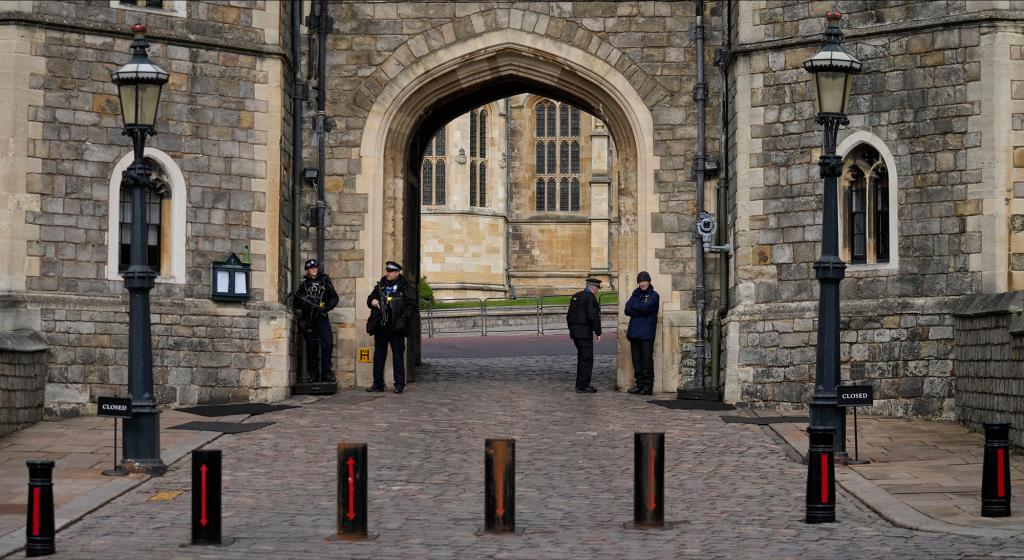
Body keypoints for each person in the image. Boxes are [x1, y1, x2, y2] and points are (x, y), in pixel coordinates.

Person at [366, 260, 417, 394]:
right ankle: (377, 384)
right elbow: (369, 299)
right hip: (382, 325)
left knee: (397, 356)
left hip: (396, 326)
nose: (387, 273)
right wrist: (373, 300)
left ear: (397, 272)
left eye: (390, 271)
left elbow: (411, 305)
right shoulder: (381, 284)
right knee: (378, 356)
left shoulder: (404, 286)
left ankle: (399, 384)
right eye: (387, 271)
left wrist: (402, 321)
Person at [293, 258, 339, 383]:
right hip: (309, 319)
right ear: (307, 270)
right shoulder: (303, 285)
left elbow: (334, 298)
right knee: (311, 346)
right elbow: (296, 303)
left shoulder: (324, 280)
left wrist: (325, 309)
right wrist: (305, 304)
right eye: (310, 268)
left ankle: (326, 374)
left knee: (328, 344)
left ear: (317, 268)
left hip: (322, 317)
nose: (313, 270)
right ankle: (313, 375)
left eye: (314, 267)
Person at [624, 271, 660, 395]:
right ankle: (639, 384)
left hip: (646, 334)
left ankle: (647, 386)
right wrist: (640, 308)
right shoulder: (635, 294)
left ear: (648, 281)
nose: (642, 283)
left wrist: (637, 308)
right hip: (634, 334)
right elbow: (627, 309)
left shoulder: (654, 295)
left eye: (644, 281)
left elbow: (647, 309)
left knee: (646, 361)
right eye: (640, 281)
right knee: (636, 361)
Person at [566, 277, 603, 393]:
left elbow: (569, 316)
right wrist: (598, 332)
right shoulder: (590, 298)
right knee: (587, 359)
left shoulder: (576, 296)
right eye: (597, 288)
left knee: (582, 358)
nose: (597, 290)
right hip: (584, 333)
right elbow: (593, 317)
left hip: (575, 332)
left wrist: (572, 329)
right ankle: (583, 385)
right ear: (593, 288)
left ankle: (580, 384)